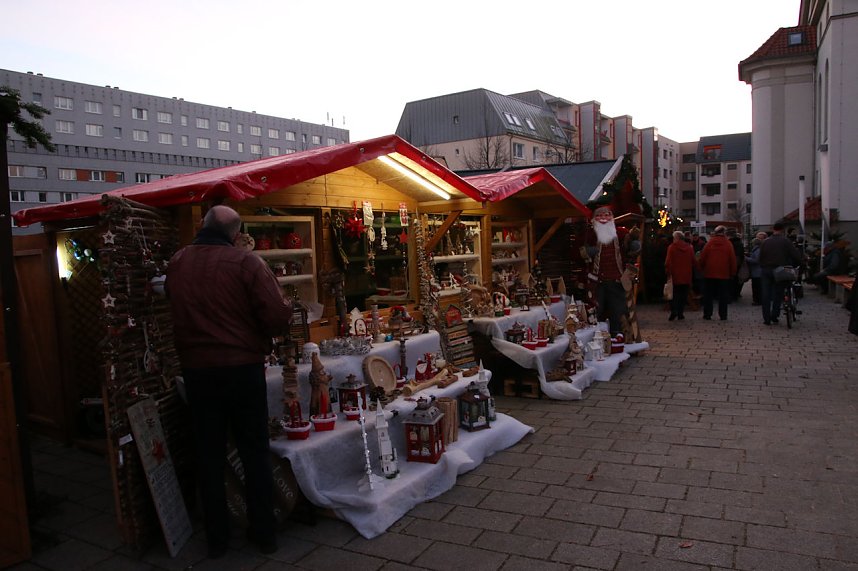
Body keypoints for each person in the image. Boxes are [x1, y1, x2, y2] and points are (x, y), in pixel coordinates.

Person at [166, 205, 293, 558]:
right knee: (254, 450)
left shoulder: (178, 262)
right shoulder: (246, 263)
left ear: (203, 226)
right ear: (235, 234)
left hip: (197, 371)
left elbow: (172, 303)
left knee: (208, 454)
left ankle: (217, 539)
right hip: (241, 369)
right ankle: (263, 533)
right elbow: (278, 314)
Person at [580, 205, 639, 337]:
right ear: (594, 219)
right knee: (596, 309)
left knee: (617, 309)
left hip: (616, 279)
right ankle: (598, 335)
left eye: (607, 215)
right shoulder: (590, 235)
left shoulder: (621, 233)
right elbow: (578, 252)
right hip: (596, 281)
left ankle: (616, 334)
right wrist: (587, 252)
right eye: (600, 215)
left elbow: (629, 250)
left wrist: (634, 246)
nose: (604, 218)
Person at [758, 222, 803, 325]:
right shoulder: (786, 241)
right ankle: (774, 315)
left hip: (766, 270)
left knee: (766, 295)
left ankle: (766, 318)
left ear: (773, 229)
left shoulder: (765, 242)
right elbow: (795, 255)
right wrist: (799, 263)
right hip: (780, 270)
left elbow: (760, 257)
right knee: (778, 293)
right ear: (782, 230)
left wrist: (763, 266)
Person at [698, 225, 737, 320]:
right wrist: (733, 272)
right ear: (724, 233)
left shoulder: (709, 243)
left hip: (709, 273)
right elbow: (732, 259)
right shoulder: (728, 244)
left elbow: (702, 258)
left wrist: (702, 270)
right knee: (723, 296)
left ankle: (707, 314)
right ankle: (723, 315)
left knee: (708, 295)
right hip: (724, 274)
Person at [664, 230, 697, 321]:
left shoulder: (672, 247)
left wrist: (668, 272)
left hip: (674, 275)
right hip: (686, 275)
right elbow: (694, 261)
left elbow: (668, 262)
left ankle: (674, 311)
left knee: (673, 294)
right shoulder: (689, 248)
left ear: (676, 238)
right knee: (683, 295)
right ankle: (680, 313)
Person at [746, 231, 768, 305]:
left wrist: (746, 258)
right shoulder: (759, 249)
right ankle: (758, 300)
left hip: (758, 272)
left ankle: (758, 300)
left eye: (760, 238)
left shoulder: (758, 249)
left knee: (757, 287)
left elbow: (756, 260)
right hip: (758, 271)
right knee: (758, 287)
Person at [727, 227, 745, 300]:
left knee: (730, 281)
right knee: (737, 280)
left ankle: (731, 295)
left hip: (729, 264)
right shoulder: (739, 243)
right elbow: (740, 255)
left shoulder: (728, 243)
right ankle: (736, 294)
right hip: (737, 264)